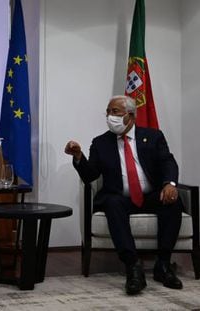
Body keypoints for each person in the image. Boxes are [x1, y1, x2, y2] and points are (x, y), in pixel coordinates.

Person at [65, 95, 183, 295]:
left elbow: (167, 162)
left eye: (115, 112)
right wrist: (78, 157)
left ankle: (162, 265)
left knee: (172, 202)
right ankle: (133, 266)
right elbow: (90, 175)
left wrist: (170, 184)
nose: (110, 116)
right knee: (112, 202)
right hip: (120, 197)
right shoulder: (101, 143)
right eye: (108, 112)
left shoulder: (153, 137)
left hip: (150, 195)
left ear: (130, 116)